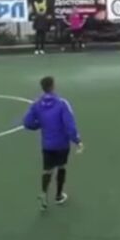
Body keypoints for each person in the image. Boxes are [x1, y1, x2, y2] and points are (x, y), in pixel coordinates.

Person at [23, 76, 84, 210]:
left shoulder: (37, 104)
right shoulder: (62, 104)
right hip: (62, 144)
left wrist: (39, 124)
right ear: (53, 86)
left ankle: (44, 194)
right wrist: (77, 141)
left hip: (47, 144)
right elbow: (70, 125)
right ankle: (58, 195)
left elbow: (27, 122)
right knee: (61, 167)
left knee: (47, 170)